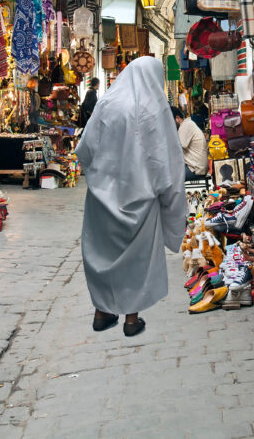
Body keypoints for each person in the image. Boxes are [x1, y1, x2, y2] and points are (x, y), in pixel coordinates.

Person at [74, 58, 185, 337]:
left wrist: (100, 178)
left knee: (103, 254)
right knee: (135, 261)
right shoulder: (155, 109)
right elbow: (167, 160)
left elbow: (84, 148)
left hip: (102, 199)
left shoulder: (108, 104)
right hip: (140, 199)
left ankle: (102, 313)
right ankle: (131, 320)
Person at [171, 106, 209, 181]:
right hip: (195, 167)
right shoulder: (186, 125)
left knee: (167, 177)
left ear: (178, 118)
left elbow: (176, 150)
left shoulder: (186, 125)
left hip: (195, 169)